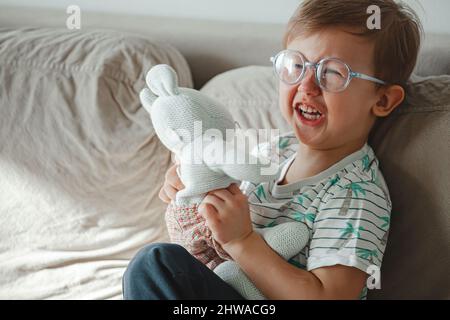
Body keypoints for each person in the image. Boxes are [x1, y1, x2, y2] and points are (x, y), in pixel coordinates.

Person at [123, 0, 422, 300]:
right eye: (296, 65)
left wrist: (242, 242)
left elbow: (329, 296)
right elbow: (218, 223)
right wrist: (192, 188)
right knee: (160, 266)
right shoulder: (273, 151)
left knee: (158, 263)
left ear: (382, 100)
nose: (307, 85)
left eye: (331, 73)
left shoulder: (356, 193)